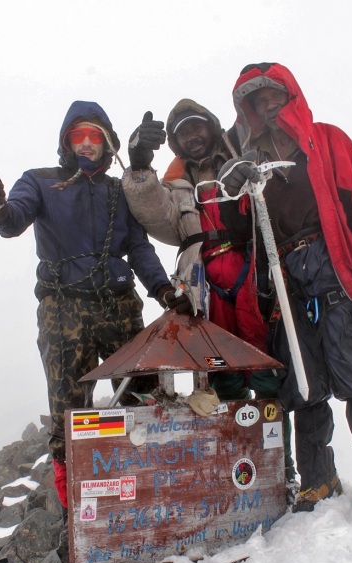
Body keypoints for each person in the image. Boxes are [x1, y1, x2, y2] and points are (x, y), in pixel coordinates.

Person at [0, 100, 191, 509]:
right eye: (79, 135)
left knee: (142, 396)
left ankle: (146, 494)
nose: (87, 143)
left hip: (119, 305)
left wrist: (163, 289)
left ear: (107, 142)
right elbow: (11, 222)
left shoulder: (119, 190)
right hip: (63, 309)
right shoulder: (39, 182)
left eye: (96, 136)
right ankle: (77, 512)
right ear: (67, 141)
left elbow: (137, 247)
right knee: (68, 409)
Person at [217, 62, 352, 523]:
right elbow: (240, 233)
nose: (268, 107)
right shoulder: (249, 168)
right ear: (247, 109)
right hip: (287, 287)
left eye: (274, 96)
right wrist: (234, 190)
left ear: (291, 95)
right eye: (257, 101)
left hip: (337, 276)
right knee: (303, 386)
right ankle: (318, 478)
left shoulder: (329, 142)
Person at [122, 100, 297, 487]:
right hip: (205, 286)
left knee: (263, 368)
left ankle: (280, 470)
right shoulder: (173, 184)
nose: (192, 136)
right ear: (176, 142)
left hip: (252, 275)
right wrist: (138, 168)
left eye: (197, 127)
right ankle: (237, 470)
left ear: (213, 127)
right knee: (223, 376)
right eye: (182, 132)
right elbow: (154, 214)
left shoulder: (242, 156)